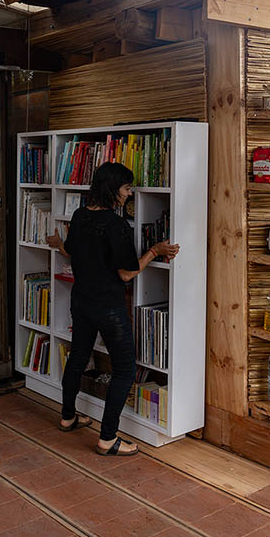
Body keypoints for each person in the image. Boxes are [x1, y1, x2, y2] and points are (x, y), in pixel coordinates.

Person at [46, 161, 179, 456]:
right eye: (126, 188)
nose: (129, 194)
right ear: (112, 189)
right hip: (108, 306)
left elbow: (71, 250)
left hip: (81, 301)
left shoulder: (80, 216)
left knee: (78, 357)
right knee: (125, 368)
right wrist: (154, 251)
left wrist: (57, 243)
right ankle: (107, 438)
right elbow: (127, 274)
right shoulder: (117, 226)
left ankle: (68, 416)